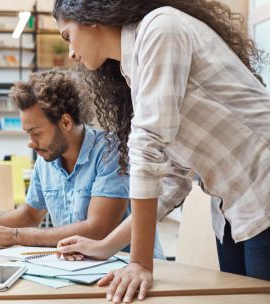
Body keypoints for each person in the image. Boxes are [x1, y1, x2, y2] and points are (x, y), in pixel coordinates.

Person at [52, 0, 270, 303]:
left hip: (263, 188)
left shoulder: (160, 28)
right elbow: (172, 178)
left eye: (67, 36)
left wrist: (140, 263)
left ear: (89, 18)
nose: (71, 52)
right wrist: (107, 245)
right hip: (234, 206)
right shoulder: (135, 67)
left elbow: (147, 145)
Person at [0, 70, 164, 260]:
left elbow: (97, 229)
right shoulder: (47, 158)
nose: (30, 143)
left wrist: (13, 235)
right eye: (28, 133)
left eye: (36, 133)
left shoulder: (110, 151)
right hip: (79, 266)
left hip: (127, 265)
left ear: (66, 122)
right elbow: (29, 215)